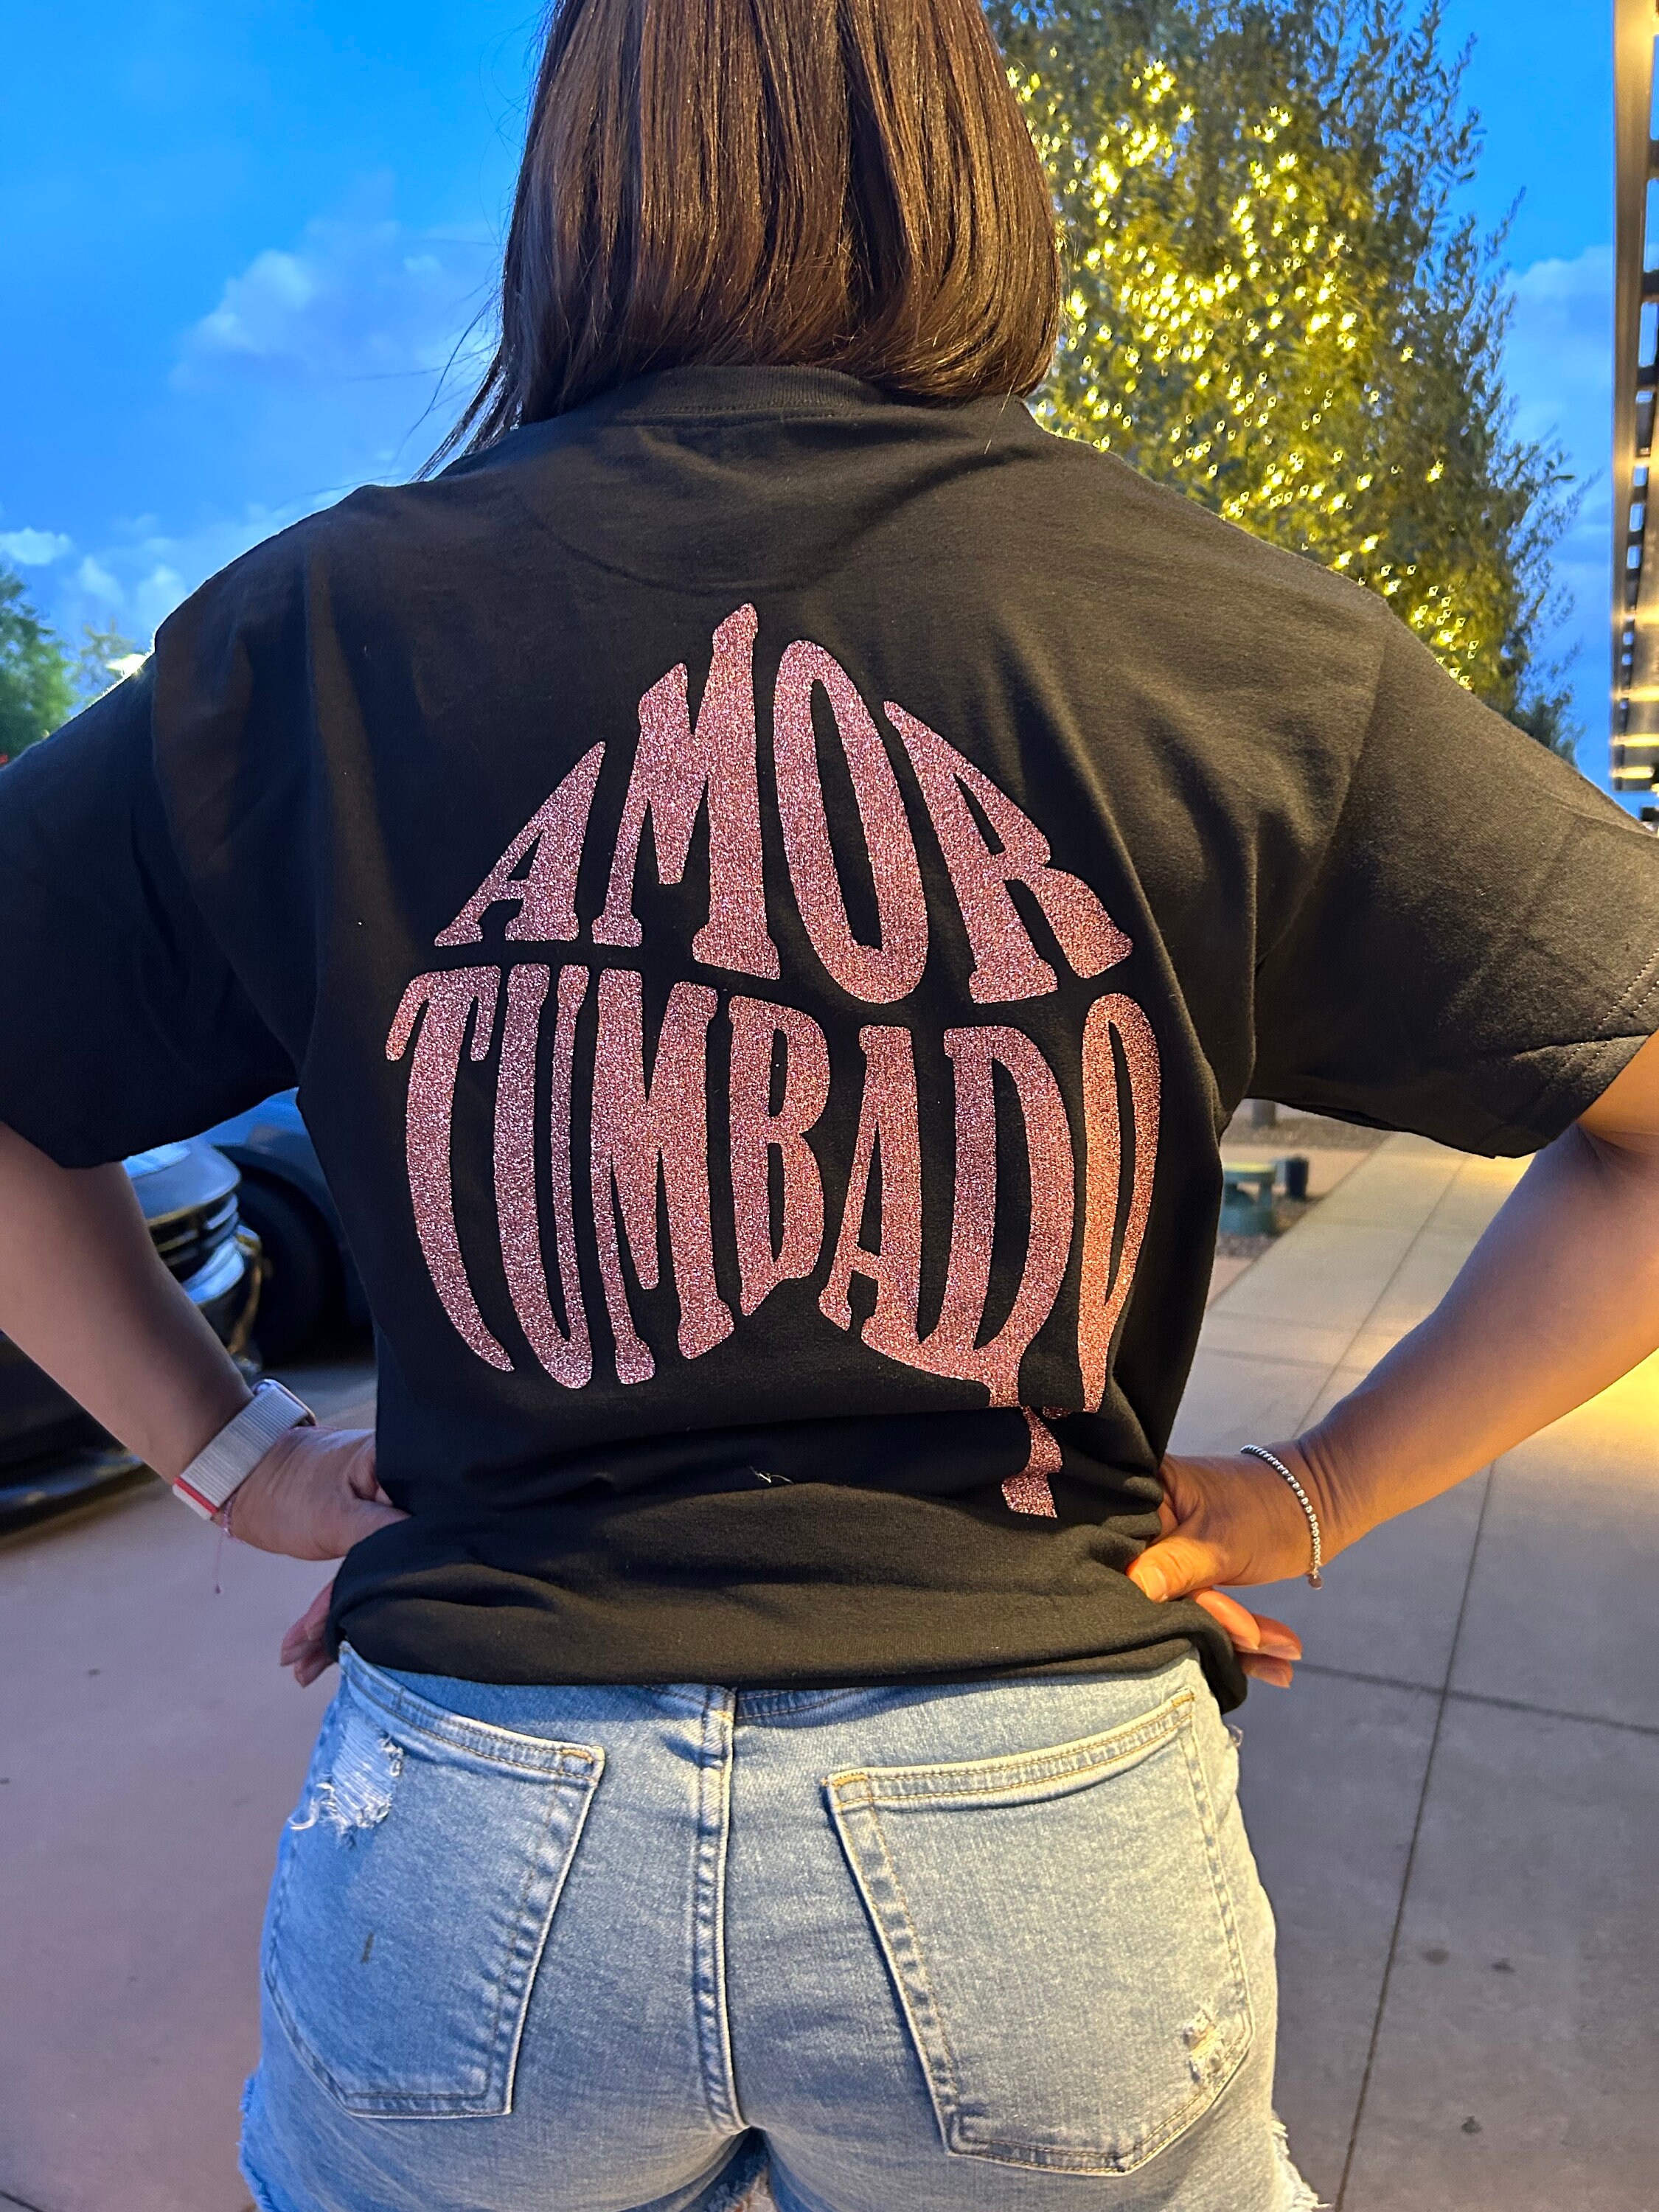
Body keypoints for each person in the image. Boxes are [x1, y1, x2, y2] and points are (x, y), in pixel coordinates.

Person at [2, 1, 1657, 2205]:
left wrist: (237, 1460)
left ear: (575, 183)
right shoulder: (1223, 636)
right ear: (972, 171)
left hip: (482, 1817)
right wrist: (1316, 1486)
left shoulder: (314, 633)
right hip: (1040, 1822)